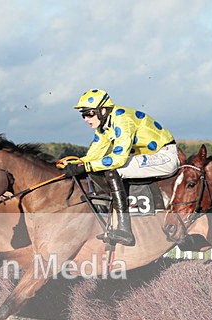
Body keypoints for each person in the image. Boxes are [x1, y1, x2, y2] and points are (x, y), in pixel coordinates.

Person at [62, 89, 180, 246]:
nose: (85, 119)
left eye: (89, 113)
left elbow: (117, 158)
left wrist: (86, 166)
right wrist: (76, 164)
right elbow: (94, 154)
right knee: (99, 168)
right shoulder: (104, 126)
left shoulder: (122, 120)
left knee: (112, 170)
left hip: (165, 157)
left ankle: (125, 229)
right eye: (83, 114)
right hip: (146, 156)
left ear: (102, 110)